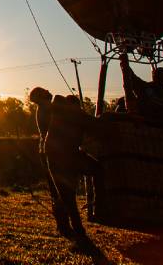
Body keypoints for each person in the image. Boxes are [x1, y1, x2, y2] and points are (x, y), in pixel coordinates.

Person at [45, 93, 98, 245]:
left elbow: (95, 125)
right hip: (57, 158)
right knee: (67, 195)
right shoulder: (59, 111)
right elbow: (56, 98)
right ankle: (75, 229)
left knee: (96, 170)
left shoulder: (78, 116)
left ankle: (97, 206)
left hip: (72, 156)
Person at [29, 87, 73, 238]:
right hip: (52, 152)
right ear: (41, 97)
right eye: (45, 92)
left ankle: (64, 225)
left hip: (49, 151)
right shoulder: (46, 110)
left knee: (59, 190)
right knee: (58, 190)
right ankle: (64, 225)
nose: (48, 91)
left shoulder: (45, 109)